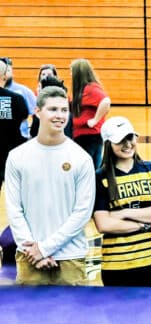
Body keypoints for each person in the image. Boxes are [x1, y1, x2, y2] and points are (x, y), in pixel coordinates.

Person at [4, 86, 95, 285]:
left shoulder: (81, 158)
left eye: (64, 110)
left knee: (74, 316)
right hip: (29, 257)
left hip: (70, 258)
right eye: (53, 109)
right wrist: (33, 250)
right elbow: (14, 208)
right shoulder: (17, 156)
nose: (60, 116)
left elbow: (82, 213)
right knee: (29, 316)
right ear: (37, 112)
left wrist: (44, 249)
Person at [93, 116, 151, 287]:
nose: (127, 144)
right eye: (120, 140)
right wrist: (143, 225)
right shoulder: (100, 177)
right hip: (116, 264)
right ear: (108, 144)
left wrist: (124, 213)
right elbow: (104, 224)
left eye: (130, 137)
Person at [71, 58, 111, 169]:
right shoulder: (83, 89)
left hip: (88, 136)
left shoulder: (90, 88)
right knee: (91, 168)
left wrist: (95, 120)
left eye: (72, 71)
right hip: (86, 136)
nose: (70, 74)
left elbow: (106, 101)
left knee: (87, 168)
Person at [0, 60, 28, 192]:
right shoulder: (14, 98)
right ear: (5, 75)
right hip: (11, 149)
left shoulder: (10, 98)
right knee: (17, 192)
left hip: (10, 150)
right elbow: (23, 116)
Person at [1, 57, 35, 140]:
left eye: (8, 70)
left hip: (17, 138)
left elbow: (35, 112)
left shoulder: (22, 91)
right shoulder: (16, 97)